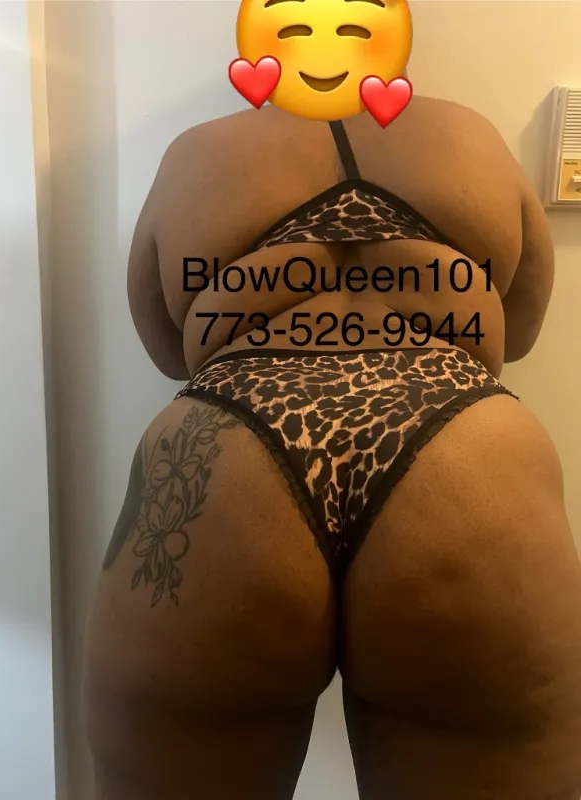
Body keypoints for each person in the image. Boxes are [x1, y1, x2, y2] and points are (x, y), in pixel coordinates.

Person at [82, 97, 581, 800]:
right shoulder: (473, 136)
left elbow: (167, 349)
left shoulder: (199, 152)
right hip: (467, 454)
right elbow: (518, 334)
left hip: (227, 454)